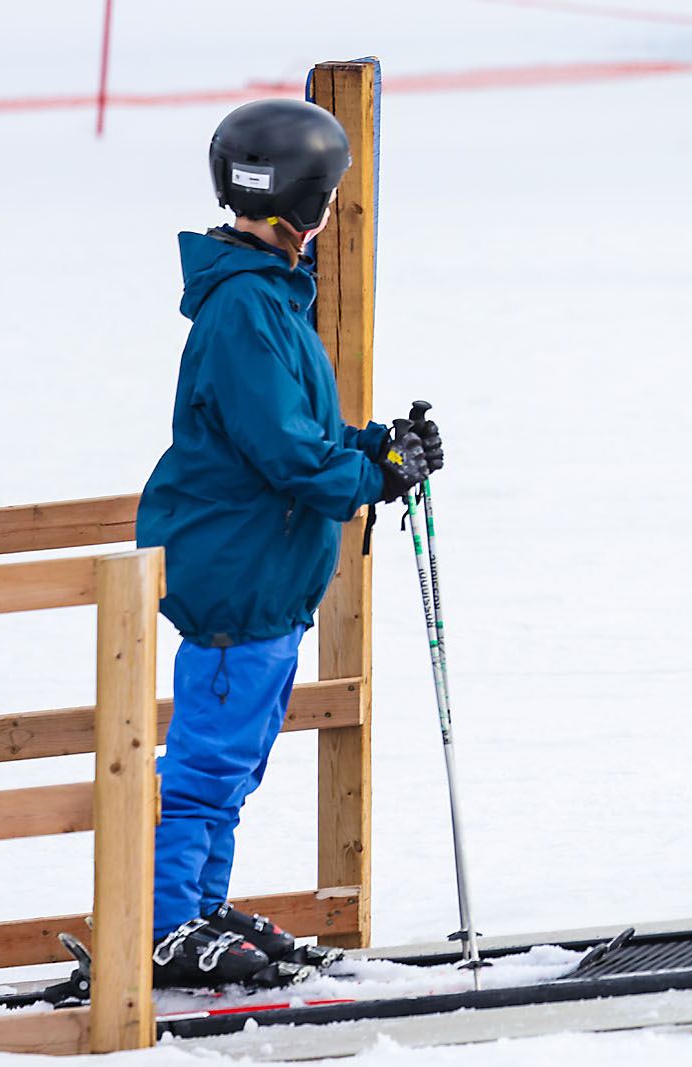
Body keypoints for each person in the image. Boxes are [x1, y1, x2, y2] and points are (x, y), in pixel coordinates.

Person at [135, 98, 443, 988]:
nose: (336, 211)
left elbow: (300, 433)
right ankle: (163, 922)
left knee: (232, 762)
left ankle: (196, 905)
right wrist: (366, 476)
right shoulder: (246, 310)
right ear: (302, 203)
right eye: (332, 196)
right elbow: (283, 453)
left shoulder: (264, 297)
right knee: (207, 764)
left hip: (262, 572)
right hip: (237, 573)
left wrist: (379, 446)